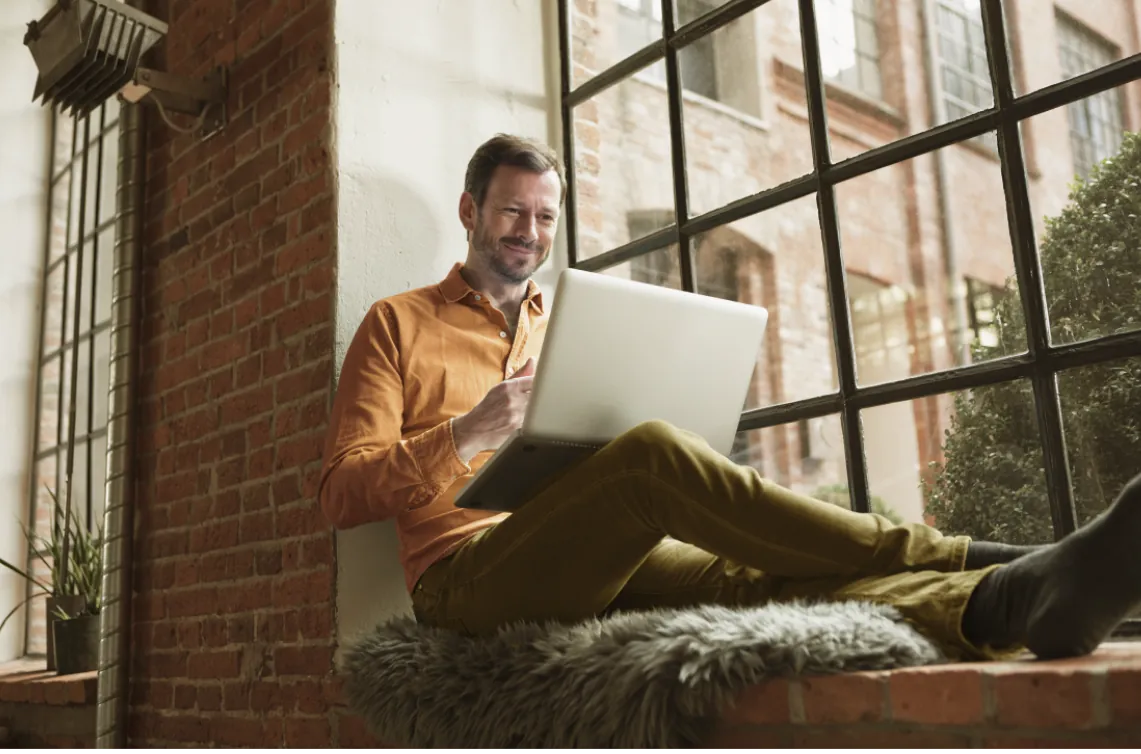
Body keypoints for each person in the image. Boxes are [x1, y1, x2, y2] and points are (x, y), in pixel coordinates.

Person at [319, 133, 1141, 662]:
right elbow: (341, 493)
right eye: (510, 212)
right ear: (470, 211)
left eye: (543, 216)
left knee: (754, 575)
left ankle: (1009, 601)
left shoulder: (567, 325)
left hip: (585, 551)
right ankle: (949, 552)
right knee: (647, 457)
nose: (527, 232)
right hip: (463, 584)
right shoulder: (397, 324)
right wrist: (469, 431)